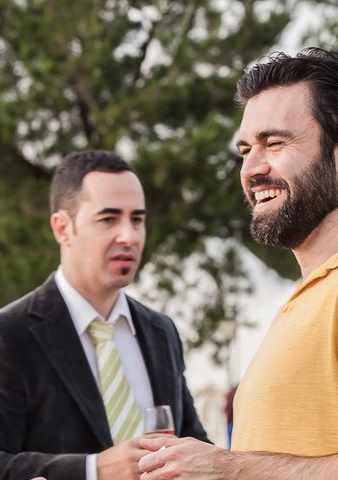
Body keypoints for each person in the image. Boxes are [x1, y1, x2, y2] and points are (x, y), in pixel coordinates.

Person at [138, 47, 338, 479]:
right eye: (245, 149)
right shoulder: (304, 302)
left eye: (275, 143)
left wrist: (229, 468)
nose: (250, 167)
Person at [0, 150, 209, 480]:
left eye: (137, 219)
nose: (129, 236)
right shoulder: (5, 335)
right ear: (62, 227)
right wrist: (94, 469)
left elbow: (194, 444)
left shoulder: (161, 331)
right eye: (108, 219)